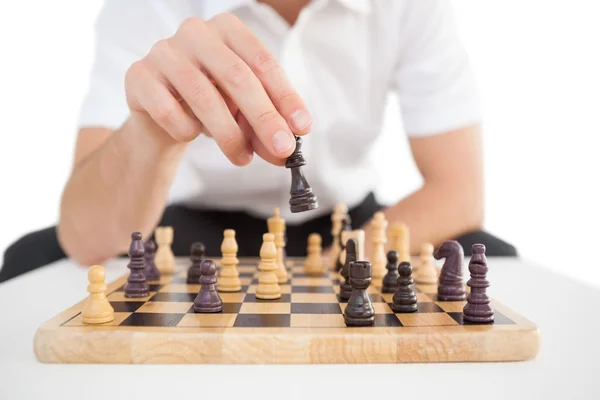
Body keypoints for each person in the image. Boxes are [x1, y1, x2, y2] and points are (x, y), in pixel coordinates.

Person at [0, 0, 516, 284]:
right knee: (32, 259)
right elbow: (84, 236)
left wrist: (348, 257)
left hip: (353, 224)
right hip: (189, 225)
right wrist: (151, 131)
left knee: (494, 259)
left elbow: (458, 191)